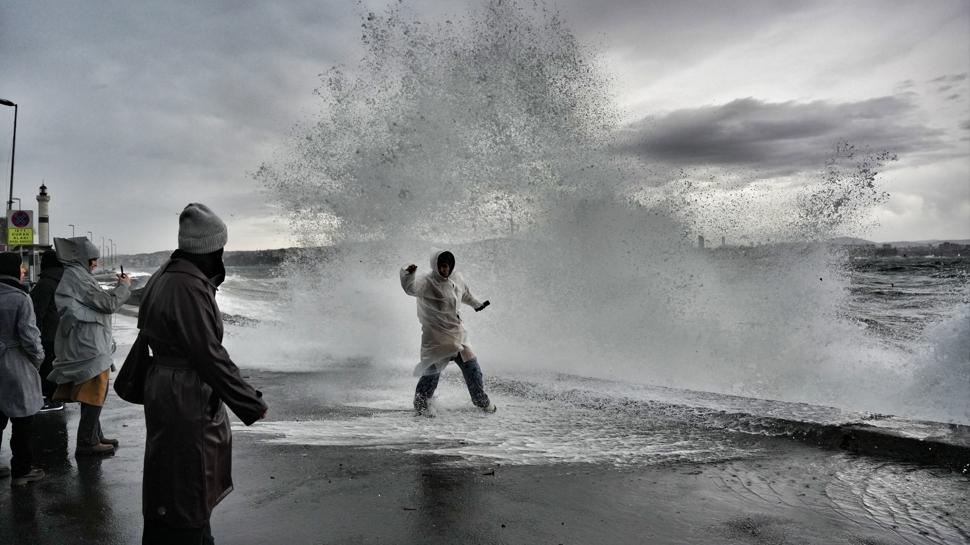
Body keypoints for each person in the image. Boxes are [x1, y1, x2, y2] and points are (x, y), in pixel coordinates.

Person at [136, 203, 267, 545]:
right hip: (184, 393)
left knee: (170, 476)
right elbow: (208, 354)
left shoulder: (166, 275)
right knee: (188, 479)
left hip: (166, 386)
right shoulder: (187, 287)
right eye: (221, 246)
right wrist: (249, 401)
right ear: (211, 248)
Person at [48, 237, 131, 456]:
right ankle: (86, 442)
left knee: (94, 390)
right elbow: (107, 304)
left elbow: (99, 301)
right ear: (83, 258)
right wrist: (123, 287)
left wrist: (116, 288)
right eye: (92, 259)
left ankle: (94, 435)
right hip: (88, 344)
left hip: (89, 341)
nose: (95, 264)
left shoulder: (78, 275)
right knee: (95, 389)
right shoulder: (77, 276)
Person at [400, 250, 496, 416]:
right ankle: (421, 406)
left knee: (473, 369)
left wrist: (476, 304)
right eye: (442, 266)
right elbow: (410, 289)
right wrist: (408, 273)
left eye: (448, 266)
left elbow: (464, 293)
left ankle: (482, 401)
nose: (445, 270)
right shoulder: (426, 281)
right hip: (436, 338)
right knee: (431, 375)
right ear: (435, 266)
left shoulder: (456, 277)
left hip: (458, 335)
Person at [0, 252, 47, 486]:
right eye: (21, 267)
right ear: (13, 270)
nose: (24, 271)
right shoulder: (20, 298)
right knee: (22, 420)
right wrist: (37, 359)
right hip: (15, 362)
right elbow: (30, 335)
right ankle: (22, 470)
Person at [29, 249, 65, 412]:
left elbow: (36, 313)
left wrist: (34, 336)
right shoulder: (64, 281)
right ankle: (56, 397)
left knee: (47, 367)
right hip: (61, 332)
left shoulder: (45, 283)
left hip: (47, 334)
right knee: (54, 366)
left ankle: (52, 399)